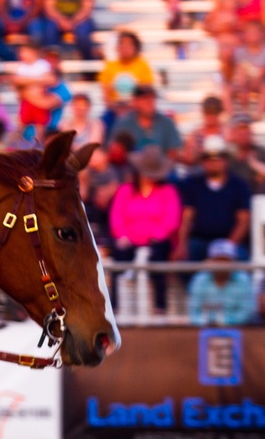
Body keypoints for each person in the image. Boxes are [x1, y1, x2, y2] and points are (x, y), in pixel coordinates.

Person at [108, 145, 181, 315]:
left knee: (158, 257)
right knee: (119, 255)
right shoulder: (125, 190)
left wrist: (157, 236)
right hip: (129, 239)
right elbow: (116, 216)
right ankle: (115, 306)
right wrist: (122, 235)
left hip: (156, 240)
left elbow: (172, 219)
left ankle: (160, 305)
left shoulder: (168, 191)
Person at [174, 135, 251, 263]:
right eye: (208, 158)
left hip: (229, 241)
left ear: (225, 160)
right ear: (203, 161)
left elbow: (243, 221)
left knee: (241, 260)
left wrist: (228, 246)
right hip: (200, 241)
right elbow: (187, 217)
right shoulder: (193, 183)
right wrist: (181, 245)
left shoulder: (239, 185)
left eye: (218, 158)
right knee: (184, 259)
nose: (213, 162)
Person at [187, 239, 255, 325]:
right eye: (218, 260)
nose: (222, 265)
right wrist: (206, 324)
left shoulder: (243, 280)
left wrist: (223, 322)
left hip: (239, 329)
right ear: (210, 261)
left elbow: (246, 313)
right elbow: (194, 312)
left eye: (226, 260)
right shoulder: (200, 280)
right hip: (204, 329)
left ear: (234, 261)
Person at [108, 85, 182, 158]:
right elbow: (113, 151)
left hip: (161, 167)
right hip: (130, 168)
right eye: (145, 98)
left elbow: (173, 153)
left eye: (152, 98)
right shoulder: (123, 124)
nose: (150, 102)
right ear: (135, 101)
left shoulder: (167, 123)